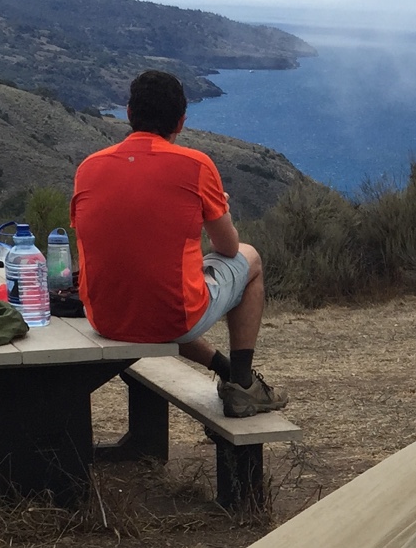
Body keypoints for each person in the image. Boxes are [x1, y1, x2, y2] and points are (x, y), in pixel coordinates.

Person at [70, 70, 287, 416]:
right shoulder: (196, 165)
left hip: (104, 316)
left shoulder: (87, 168)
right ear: (181, 122)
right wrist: (217, 209)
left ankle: (227, 370)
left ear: (128, 113)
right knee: (252, 260)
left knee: (160, 288)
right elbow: (229, 248)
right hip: (171, 315)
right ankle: (243, 386)